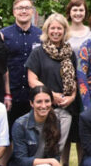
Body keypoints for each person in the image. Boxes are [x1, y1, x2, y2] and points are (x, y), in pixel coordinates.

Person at [26, 13, 77, 160]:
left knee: (59, 148)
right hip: (44, 108)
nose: (56, 31)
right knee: (42, 147)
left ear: (65, 31)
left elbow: (73, 79)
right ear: (47, 30)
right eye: (52, 28)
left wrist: (72, 97)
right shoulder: (38, 52)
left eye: (59, 28)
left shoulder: (70, 53)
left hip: (65, 108)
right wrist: (52, 95)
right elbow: (32, 80)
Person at [1, 0, 43, 132]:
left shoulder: (41, 36)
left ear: (32, 12)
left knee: (33, 135)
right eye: (20, 8)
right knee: (8, 136)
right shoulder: (3, 35)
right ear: (14, 12)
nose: (23, 11)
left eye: (27, 8)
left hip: (34, 96)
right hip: (11, 94)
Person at [64, 0, 91, 162]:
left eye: (81, 9)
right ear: (69, 12)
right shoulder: (63, 31)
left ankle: (82, 162)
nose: (78, 13)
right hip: (65, 86)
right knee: (65, 132)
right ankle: (64, 162)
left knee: (82, 130)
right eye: (75, 9)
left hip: (85, 86)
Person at [9, 86, 62, 166]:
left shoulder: (55, 121)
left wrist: (52, 161)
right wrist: (51, 161)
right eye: (39, 102)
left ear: (51, 102)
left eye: (47, 101)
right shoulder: (20, 124)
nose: (43, 106)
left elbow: (55, 154)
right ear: (31, 103)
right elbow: (21, 160)